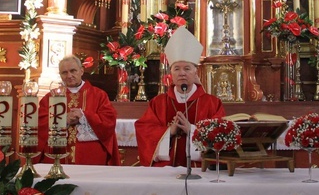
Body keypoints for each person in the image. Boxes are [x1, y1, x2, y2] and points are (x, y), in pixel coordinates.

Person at [136, 26, 226, 168]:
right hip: (165, 169)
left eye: (187, 68)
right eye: (176, 69)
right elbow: (144, 130)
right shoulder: (158, 102)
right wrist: (168, 132)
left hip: (200, 169)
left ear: (195, 72)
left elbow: (220, 134)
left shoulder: (212, 103)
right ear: (170, 73)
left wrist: (192, 130)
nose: (182, 73)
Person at [37, 55, 120, 165]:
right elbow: (39, 123)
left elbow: (109, 121)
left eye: (73, 71)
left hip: (90, 156)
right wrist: (63, 119)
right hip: (57, 153)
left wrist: (84, 117)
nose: (69, 75)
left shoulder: (98, 95)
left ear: (81, 71)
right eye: (64, 72)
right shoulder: (50, 97)